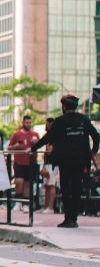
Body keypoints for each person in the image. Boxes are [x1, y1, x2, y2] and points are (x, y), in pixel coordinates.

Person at [31, 94, 100, 228]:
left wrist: (33, 148)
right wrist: (93, 151)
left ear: (63, 106)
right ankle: (74, 217)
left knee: (66, 188)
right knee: (76, 187)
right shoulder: (84, 119)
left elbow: (47, 137)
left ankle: (69, 218)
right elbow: (96, 136)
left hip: (65, 160)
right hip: (80, 160)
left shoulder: (60, 121)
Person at [7, 116, 39, 212]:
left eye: (30, 122)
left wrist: (36, 143)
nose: (28, 124)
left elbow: (39, 146)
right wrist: (16, 146)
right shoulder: (16, 134)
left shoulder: (35, 134)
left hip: (31, 162)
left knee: (28, 184)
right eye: (26, 122)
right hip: (19, 162)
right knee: (18, 181)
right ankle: (18, 202)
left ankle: (25, 204)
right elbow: (9, 148)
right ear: (23, 123)